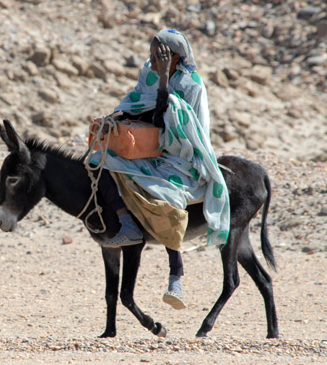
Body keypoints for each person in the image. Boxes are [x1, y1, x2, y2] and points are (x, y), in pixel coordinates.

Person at [91, 28, 230, 310]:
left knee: (165, 194)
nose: (152, 60)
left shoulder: (192, 85)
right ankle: (125, 222)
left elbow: (176, 127)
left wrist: (165, 80)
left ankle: (175, 274)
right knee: (97, 162)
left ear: (175, 57)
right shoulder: (148, 71)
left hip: (180, 153)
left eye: (160, 56)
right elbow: (138, 102)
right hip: (147, 145)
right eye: (152, 54)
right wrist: (116, 117)